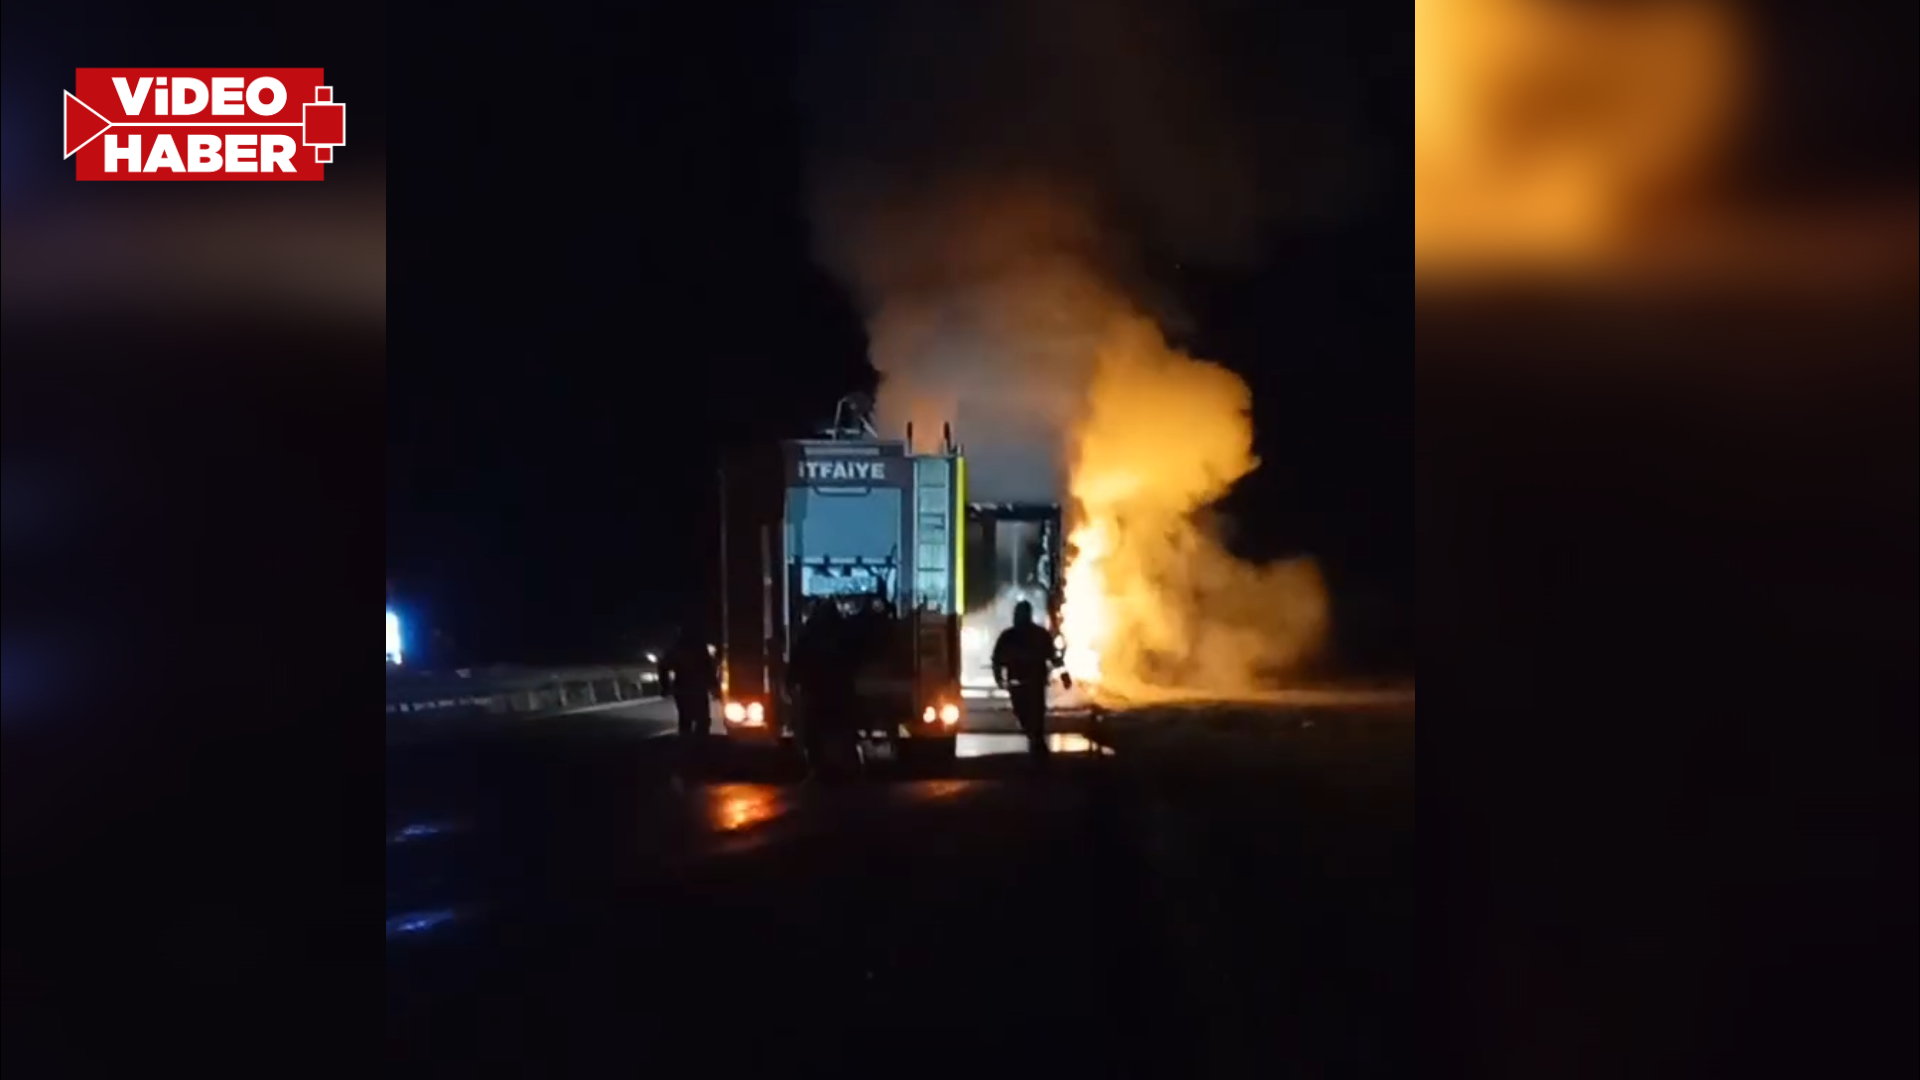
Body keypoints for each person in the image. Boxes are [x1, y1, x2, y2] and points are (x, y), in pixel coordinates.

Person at [788, 599, 856, 776]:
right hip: (838, 691)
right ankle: (841, 764)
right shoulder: (843, 632)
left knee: (815, 729)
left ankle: (819, 764)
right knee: (839, 728)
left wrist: (790, 682)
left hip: (816, 690)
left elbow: (797, 659)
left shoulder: (809, 633)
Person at [992, 600, 1061, 764]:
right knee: (1027, 715)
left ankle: (1037, 744)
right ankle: (1036, 742)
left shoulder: (1017, 635)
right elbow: (997, 659)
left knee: (1034, 716)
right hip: (1025, 683)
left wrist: (999, 678)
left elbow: (1052, 656)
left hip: (1029, 683)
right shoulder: (1015, 636)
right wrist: (999, 678)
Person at [662, 628, 718, 751]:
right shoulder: (699, 648)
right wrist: (714, 687)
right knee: (702, 718)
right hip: (697, 687)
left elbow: (663, 666)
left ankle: (687, 746)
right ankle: (701, 746)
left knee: (685, 718)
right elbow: (708, 668)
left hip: (683, 687)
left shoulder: (676, 649)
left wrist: (665, 686)